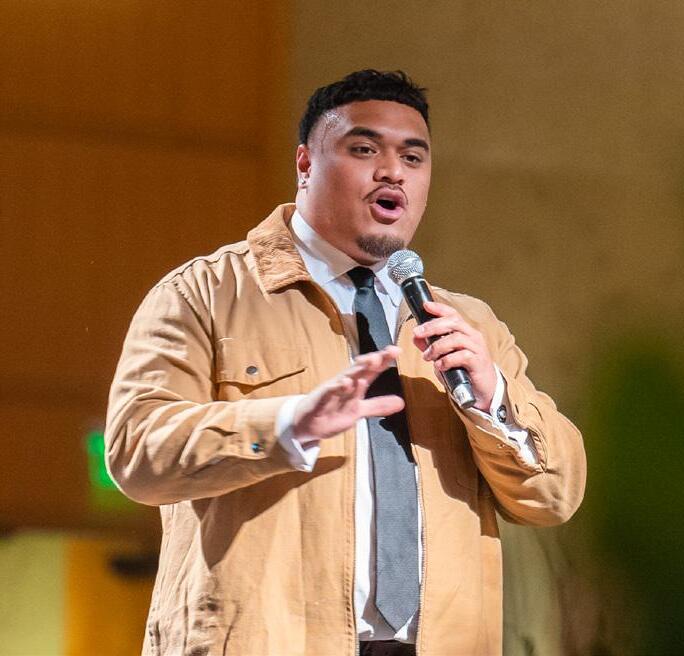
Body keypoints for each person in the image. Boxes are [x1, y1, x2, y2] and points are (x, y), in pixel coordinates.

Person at [105, 70, 586, 656]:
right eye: (365, 149)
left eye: (413, 157)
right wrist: (289, 425)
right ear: (305, 164)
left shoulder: (467, 324)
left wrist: (494, 400)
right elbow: (136, 453)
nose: (393, 172)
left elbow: (553, 496)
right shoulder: (204, 294)